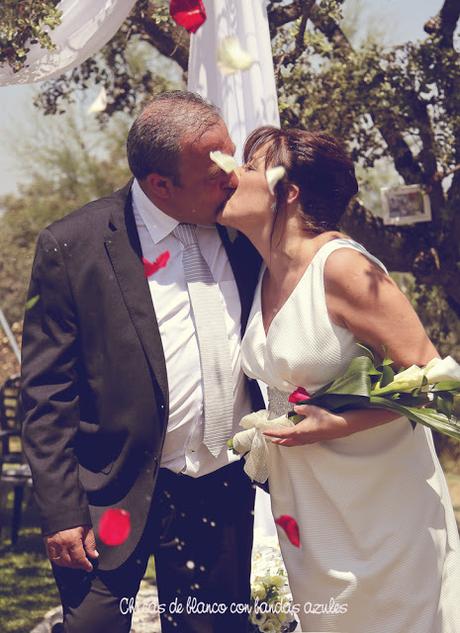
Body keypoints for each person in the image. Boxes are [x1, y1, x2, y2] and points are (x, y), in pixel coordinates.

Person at [20, 90, 264, 633]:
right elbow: (46, 395)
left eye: (232, 160)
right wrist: (61, 511)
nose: (232, 178)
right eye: (214, 171)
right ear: (161, 185)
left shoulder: (246, 231)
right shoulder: (72, 246)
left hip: (221, 485)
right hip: (111, 491)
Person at [218, 125, 460, 633]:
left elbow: (434, 381)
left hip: (380, 507)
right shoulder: (263, 269)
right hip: (311, 504)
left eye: (249, 167)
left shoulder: (343, 268)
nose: (233, 176)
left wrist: (339, 424)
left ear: (290, 190)